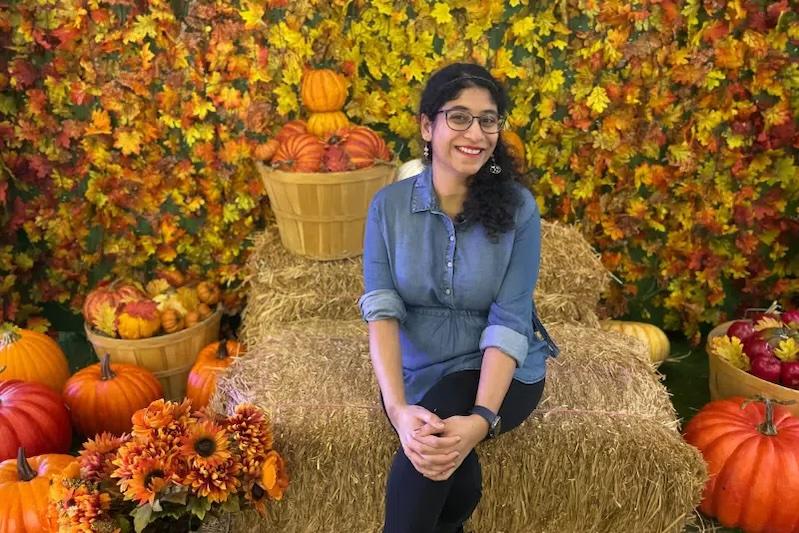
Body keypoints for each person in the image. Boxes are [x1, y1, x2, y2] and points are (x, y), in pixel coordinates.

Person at [358, 63, 560, 533]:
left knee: (440, 433)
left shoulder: (517, 210)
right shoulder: (387, 208)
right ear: (428, 126)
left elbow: (510, 319)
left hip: (503, 375)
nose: (477, 132)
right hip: (418, 371)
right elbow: (382, 312)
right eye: (460, 117)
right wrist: (397, 409)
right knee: (457, 481)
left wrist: (481, 420)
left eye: (488, 119)